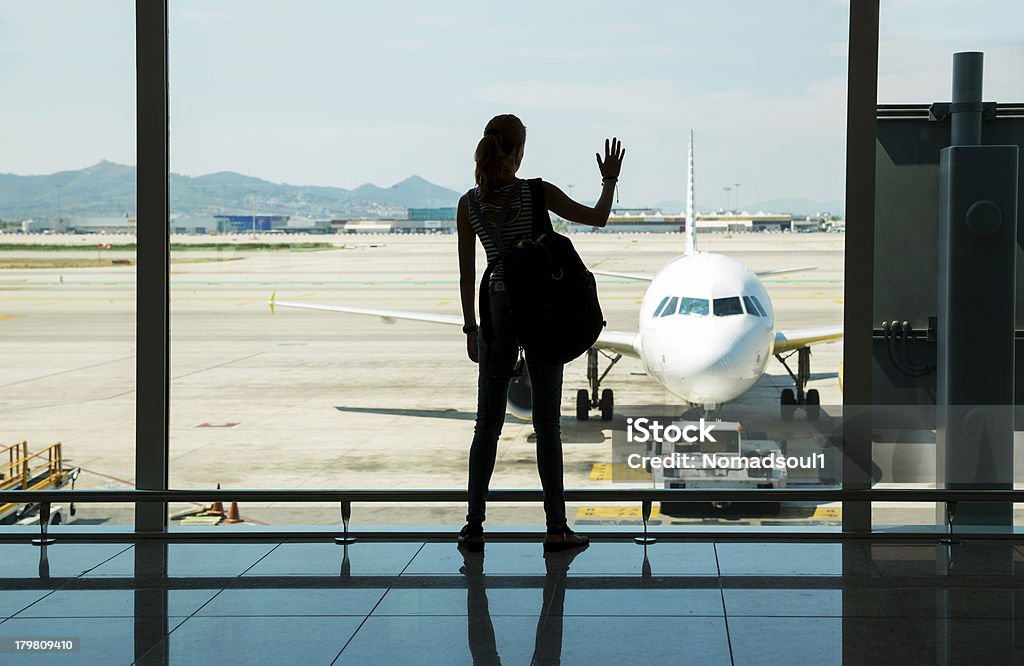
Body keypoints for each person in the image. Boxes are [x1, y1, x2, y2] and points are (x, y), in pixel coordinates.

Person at [456, 113, 625, 552]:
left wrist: (472, 329)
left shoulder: (469, 204)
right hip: (540, 311)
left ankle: (473, 527)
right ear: (517, 151)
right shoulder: (536, 192)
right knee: (547, 425)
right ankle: (556, 528)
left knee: (486, 426)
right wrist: (609, 181)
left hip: (494, 312)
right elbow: (598, 218)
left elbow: (466, 272)